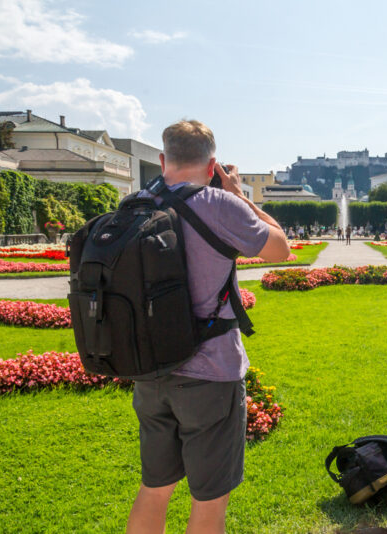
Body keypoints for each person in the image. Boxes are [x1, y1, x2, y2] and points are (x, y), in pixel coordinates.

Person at [126, 120, 290, 534]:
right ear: (213, 164)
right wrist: (239, 195)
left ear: (162, 159)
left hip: (149, 369)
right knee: (209, 500)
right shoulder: (220, 204)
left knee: (154, 489)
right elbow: (281, 248)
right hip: (210, 371)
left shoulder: (135, 204)